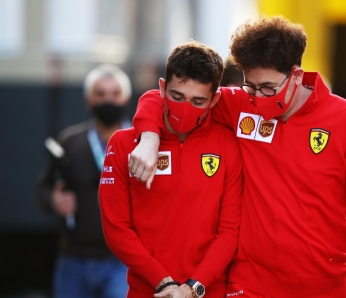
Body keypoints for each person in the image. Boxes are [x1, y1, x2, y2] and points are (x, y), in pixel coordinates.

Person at [129, 16, 346, 298]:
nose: (257, 99)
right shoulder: (242, 105)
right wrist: (149, 137)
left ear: (297, 76)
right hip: (248, 285)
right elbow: (163, 97)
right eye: (250, 86)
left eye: (267, 88)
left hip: (321, 287)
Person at [98, 41, 243, 298]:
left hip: (208, 291)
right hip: (147, 292)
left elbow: (229, 233)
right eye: (177, 97)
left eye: (198, 101)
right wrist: (162, 282)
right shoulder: (122, 145)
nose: (186, 108)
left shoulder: (229, 144)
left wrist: (194, 287)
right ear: (163, 88)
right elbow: (117, 230)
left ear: (214, 99)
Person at [35, 64, 131, 298]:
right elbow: (43, 189)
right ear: (89, 100)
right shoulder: (70, 142)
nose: (108, 100)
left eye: (115, 94)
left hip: (124, 261)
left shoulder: (142, 143)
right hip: (74, 259)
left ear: (125, 98)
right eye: (100, 94)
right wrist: (53, 200)